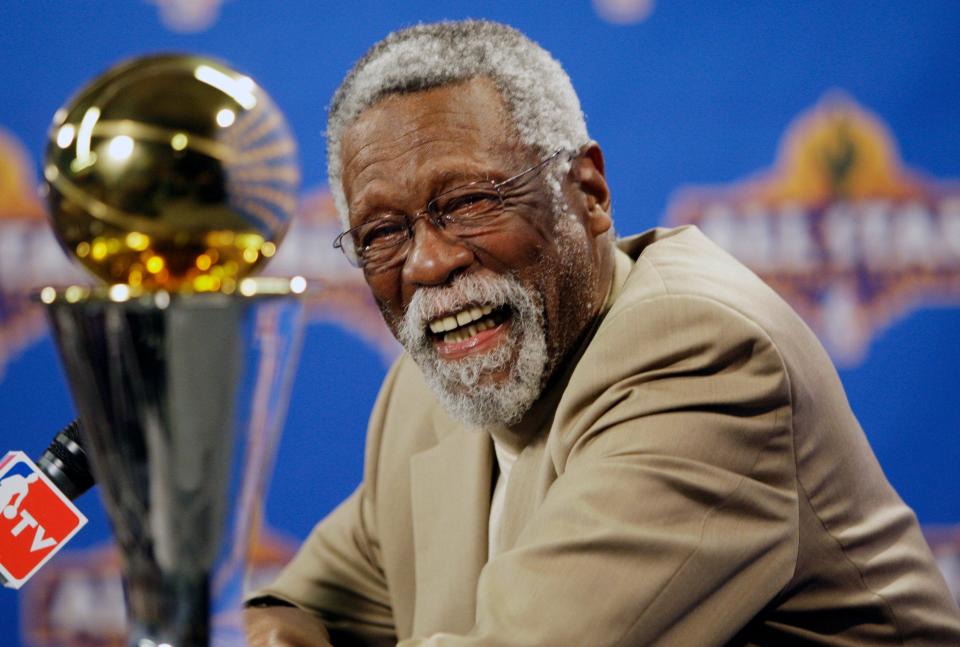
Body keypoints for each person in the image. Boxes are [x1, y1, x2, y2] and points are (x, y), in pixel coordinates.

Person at [245, 20, 960, 646]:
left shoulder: (702, 354)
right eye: (382, 233)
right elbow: (294, 605)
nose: (429, 262)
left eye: (465, 202)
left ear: (587, 192)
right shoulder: (433, 384)